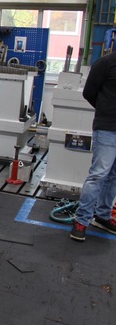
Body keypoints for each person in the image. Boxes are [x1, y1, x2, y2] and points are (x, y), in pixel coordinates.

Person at [70, 51, 116, 241]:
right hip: (107, 128)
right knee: (98, 174)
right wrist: (106, 110)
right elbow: (89, 92)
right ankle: (82, 219)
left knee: (114, 176)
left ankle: (103, 216)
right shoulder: (105, 63)